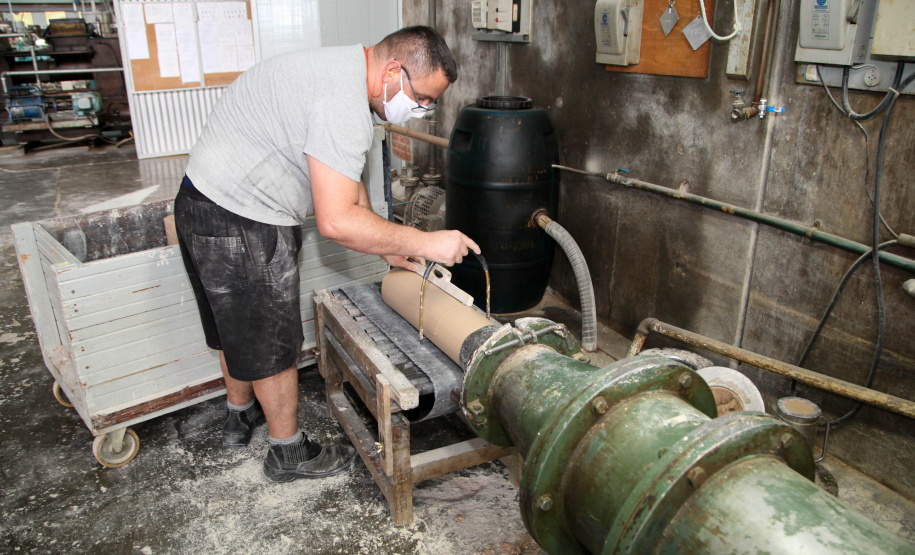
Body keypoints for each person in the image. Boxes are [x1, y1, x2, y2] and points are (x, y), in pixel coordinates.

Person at [173, 26, 479, 483]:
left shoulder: (341, 72)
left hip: (201, 202)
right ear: (394, 71)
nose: (422, 111)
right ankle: (287, 453)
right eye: (423, 99)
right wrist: (425, 241)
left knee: (233, 325)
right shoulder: (342, 105)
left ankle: (240, 414)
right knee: (272, 343)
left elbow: (346, 181)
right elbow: (336, 221)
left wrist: (388, 249)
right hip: (244, 223)